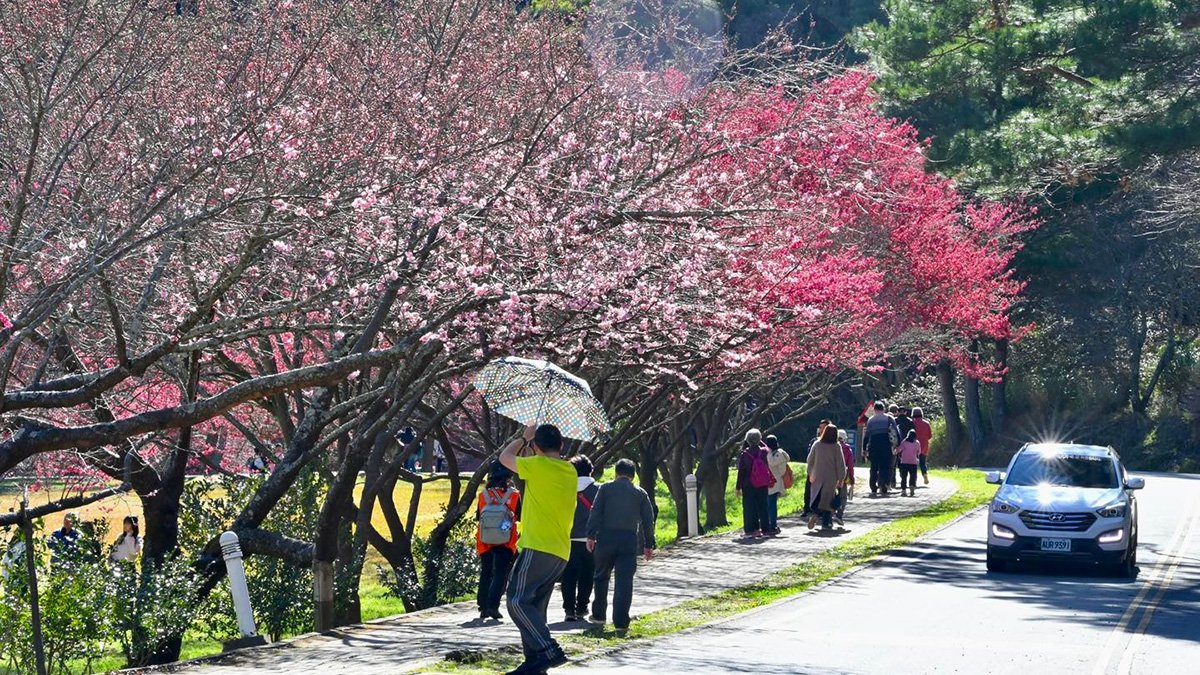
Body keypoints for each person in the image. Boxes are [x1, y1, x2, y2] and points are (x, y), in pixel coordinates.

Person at [499, 424, 576, 675]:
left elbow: (504, 458)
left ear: (537, 447)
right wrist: (533, 447)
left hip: (537, 546)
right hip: (560, 551)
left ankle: (548, 650)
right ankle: (535, 664)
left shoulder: (537, 467)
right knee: (535, 606)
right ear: (561, 445)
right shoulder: (569, 470)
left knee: (516, 601)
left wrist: (524, 437)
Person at [586, 459, 656, 633]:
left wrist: (590, 535)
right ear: (633, 476)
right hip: (628, 539)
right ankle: (621, 623)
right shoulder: (640, 493)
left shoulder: (605, 488)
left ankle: (599, 615)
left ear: (616, 473)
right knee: (624, 581)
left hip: (606, 537)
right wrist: (649, 544)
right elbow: (648, 520)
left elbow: (596, 512)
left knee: (601, 576)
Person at [476, 462, 521, 621]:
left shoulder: (483, 495)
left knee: (486, 572)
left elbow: (478, 517)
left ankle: (482, 606)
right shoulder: (514, 495)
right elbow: (519, 517)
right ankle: (493, 606)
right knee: (500, 573)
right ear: (508, 477)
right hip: (506, 540)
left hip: (485, 539)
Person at [560, 454, 599, 622]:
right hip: (591, 539)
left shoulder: (564, 488)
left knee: (568, 575)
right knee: (587, 574)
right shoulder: (598, 489)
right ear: (590, 470)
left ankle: (569, 609)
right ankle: (582, 606)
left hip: (567, 538)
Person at [806, 425, 847, 530]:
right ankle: (826, 523)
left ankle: (815, 514)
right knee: (828, 500)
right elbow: (840, 463)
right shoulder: (836, 446)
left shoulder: (817, 444)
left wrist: (810, 473)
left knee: (817, 497)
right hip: (831, 477)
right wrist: (841, 478)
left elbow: (810, 460)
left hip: (818, 475)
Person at [734, 429, 772, 539]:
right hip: (762, 483)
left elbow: (741, 472)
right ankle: (765, 530)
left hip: (748, 484)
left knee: (749, 507)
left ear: (747, 440)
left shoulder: (745, 454)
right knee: (763, 506)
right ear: (759, 439)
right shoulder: (764, 452)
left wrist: (738, 487)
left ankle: (750, 530)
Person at [864, 403, 899, 496]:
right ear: (883, 409)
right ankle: (883, 484)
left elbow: (867, 436)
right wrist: (897, 444)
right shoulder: (889, 418)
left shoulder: (871, 420)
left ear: (874, 410)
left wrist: (864, 448)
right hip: (886, 445)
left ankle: (873, 486)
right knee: (885, 466)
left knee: (874, 467)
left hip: (874, 446)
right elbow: (896, 431)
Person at [801, 420, 831, 517]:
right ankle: (807, 509)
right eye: (820, 427)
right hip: (814, 470)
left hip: (825, 473)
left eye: (824, 427)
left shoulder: (832, 443)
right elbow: (810, 456)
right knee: (808, 490)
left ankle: (820, 511)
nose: (821, 430)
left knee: (822, 492)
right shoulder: (814, 441)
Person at [764, 435, 790, 535]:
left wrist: (768, 452)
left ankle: (773, 524)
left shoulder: (778, 454)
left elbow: (771, 462)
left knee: (771, 505)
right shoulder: (776, 453)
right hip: (771, 482)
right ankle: (770, 524)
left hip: (775, 482)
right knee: (769, 504)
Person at [836, 429, 856, 526]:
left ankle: (829, 513)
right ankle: (839, 514)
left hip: (831, 476)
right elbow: (851, 466)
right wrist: (852, 480)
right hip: (843, 476)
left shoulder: (832, 447)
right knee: (843, 497)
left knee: (830, 495)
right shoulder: (848, 450)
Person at [895, 430, 923, 497]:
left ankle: (904, 490)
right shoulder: (917, 443)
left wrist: (895, 450)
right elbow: (919, 452)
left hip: (904, 462)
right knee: (912, 476)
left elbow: (899, 450)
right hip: (913, 462)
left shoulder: (904, 442)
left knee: (904, 477)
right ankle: (912, 488)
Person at [913, 407, 933, 485]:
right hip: (924, 445)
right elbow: (930, 436)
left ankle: (913, 479)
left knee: (913, 463)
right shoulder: (926, 423)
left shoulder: (912, 423)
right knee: (922, 462)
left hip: (914, 444)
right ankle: (925, 475)